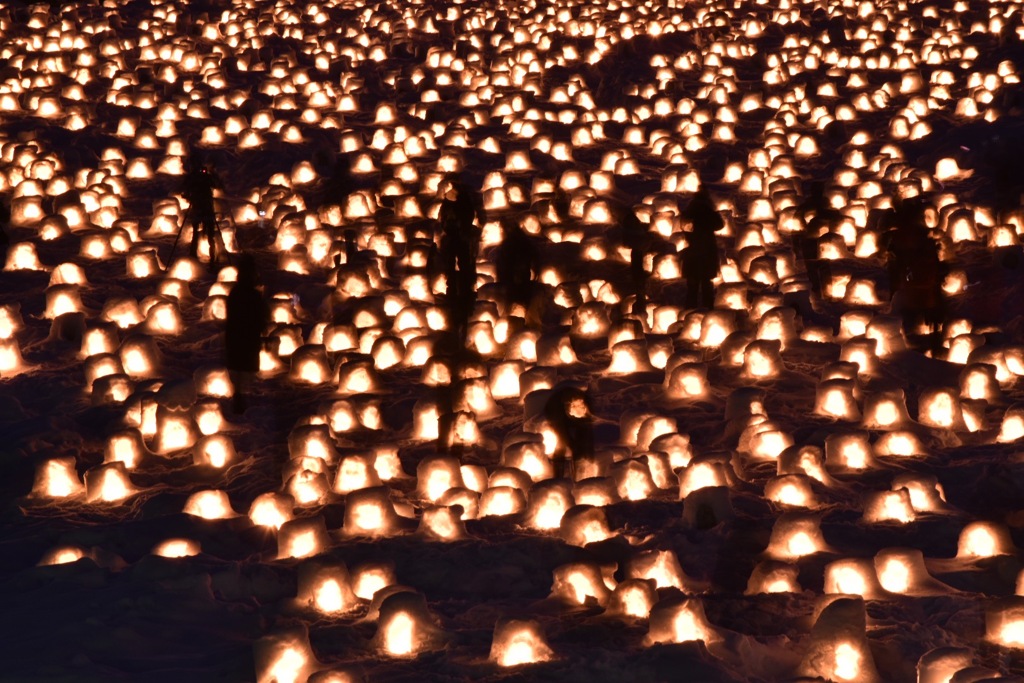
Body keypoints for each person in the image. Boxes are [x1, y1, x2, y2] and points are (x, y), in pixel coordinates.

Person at [883, 198, 946, 353]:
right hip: (916, 285)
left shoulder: (916, 238)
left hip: (920, 283)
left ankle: (926, 336)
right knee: (921, 307)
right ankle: (920, 336)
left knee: (924, 306)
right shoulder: (915, 237)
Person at [437, 176, 485, 343]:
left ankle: (464, 291)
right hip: (455, 238)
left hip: (461, 238)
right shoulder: (451, 201)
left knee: (465, 266)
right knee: (456, 267)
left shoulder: (463, 200)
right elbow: (443, 218)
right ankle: (456, 291)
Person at [225, 255, 269, 414]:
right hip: (247, 335)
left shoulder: (235, 293)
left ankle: (240, 393)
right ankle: (240, 395)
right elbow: (260, 315)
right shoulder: (252, 295)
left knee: (239, 367)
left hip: (237, 335)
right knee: (243, 366)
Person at [681, 186, 725, 309]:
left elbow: (684, 227)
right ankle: (707, 310)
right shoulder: (707, 212)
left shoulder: (689, 212)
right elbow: (719, 224)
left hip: (692, 252)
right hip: (706, 252)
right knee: (706, 285)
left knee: (693, 286)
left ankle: (690, 311)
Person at [543, 385, 595, 480]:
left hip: (571, 413)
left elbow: (587, 428)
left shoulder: (587, 405)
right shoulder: (557, 410)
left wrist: (586, 453)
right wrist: (572, 445)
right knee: (561, 446)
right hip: (556, 415)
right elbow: (563, 435)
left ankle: (580, 473)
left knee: (582, 442)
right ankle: (558, 476)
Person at [495, 219, 540, 317]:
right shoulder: (522, 242)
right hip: (516, 276)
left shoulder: (511, 244)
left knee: (517, 296)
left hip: (515, 276)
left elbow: (502, 262)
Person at [183, 157, 223, 264]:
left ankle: (202, 256)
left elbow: (185, 192)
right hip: (204, 207)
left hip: (201, 207)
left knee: (201, 234)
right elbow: (217, 185)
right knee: (207, 234)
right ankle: (209, 258)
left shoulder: (195, 178)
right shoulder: (198, 178)